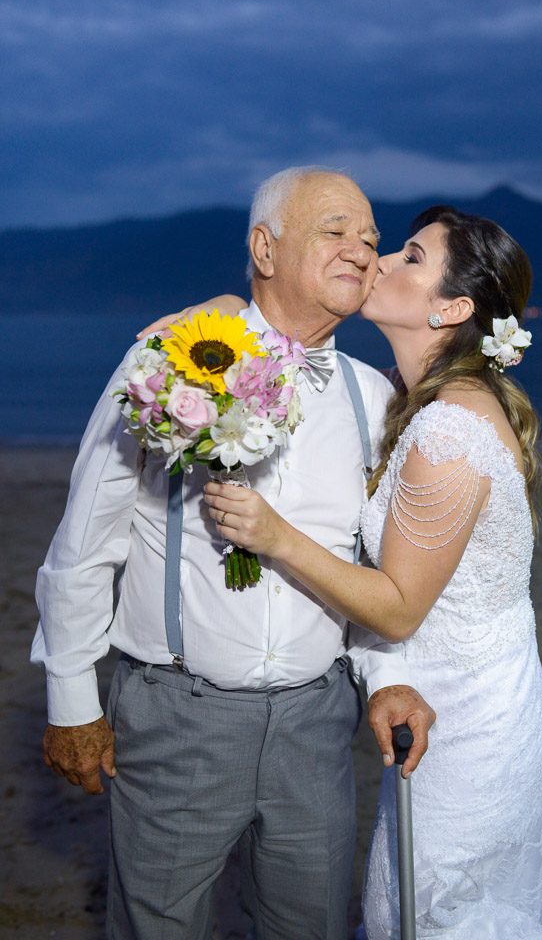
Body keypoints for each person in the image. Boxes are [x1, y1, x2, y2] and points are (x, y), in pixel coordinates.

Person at [177, 205, 542, 939]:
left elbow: (399, 609)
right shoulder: (417, 400)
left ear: (452, 309)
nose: (381, 262)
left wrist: (277, 538)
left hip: (468, 723)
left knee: (434, 920)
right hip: (451, 700)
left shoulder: (450, 428)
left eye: (410, 257)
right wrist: (225, 314)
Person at [32, 167, 436, 940]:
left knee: (311, 925)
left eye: (371, 239)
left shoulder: (372, 397)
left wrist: (386, 676)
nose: (361, 250)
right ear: (264, 248)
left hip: (317, 725)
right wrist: (71, 699)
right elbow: (86, 541)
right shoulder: (166, 363)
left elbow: (370, 564)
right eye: (335, 231)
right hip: (177, 719)